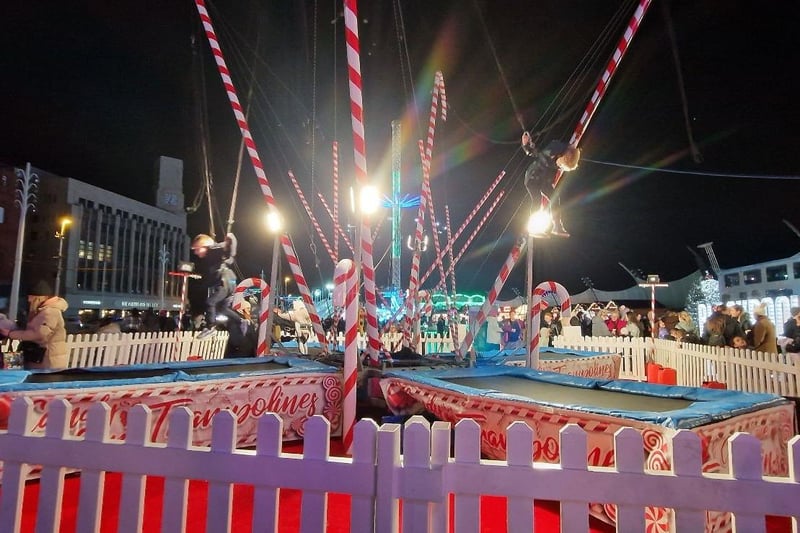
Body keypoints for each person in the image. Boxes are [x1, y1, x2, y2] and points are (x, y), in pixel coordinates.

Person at [520, 131, 581, 237]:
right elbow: (535, 153)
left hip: (544, 180)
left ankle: (557, 226)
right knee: (536, 200)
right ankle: (533, 228)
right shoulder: (552, 151)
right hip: (533, 178)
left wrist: (574, 144)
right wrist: (526, 145)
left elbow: (571, 147)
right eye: (561, 165)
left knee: (554, 197)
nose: (560, 166)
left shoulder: (566, 151)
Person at [0, 296, 69, 370]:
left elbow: (39, 334)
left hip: (46, 358)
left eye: (31, 297)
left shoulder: (49, 312)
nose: (29, 299)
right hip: (40, 356)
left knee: (42, 379)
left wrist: (10, 333)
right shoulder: (41, 311)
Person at [191, 232, 239, 338]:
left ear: (205, 246)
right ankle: (241, 321)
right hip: (230, 282)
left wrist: (230, 238)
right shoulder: (212, 258)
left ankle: (210, 327)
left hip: (225, 281)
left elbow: (230, 250)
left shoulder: (213, 250)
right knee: (222, 309)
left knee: (210, 302)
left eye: (197, 249)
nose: (196, 253)